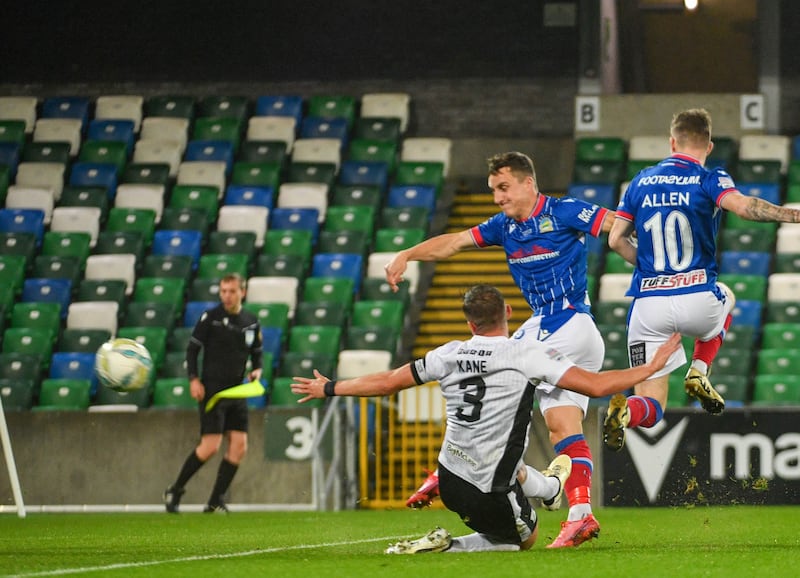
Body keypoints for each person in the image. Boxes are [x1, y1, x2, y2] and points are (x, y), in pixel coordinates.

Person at [291, 285, 681, 553]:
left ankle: (548, 488)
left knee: (509, 463)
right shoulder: (526, 353)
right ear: (508, 313)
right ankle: (451, 544)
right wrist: (652, 366)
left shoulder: (447, 353)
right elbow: (596, 386)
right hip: (489, 487)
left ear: (469, 323)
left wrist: (331, 388)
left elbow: (389, 382)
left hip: (448, 478)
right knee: (522, 541)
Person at [385, 151, 614, 547]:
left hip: (566, 322)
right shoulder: (503, 227)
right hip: (566, 332)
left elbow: (617, 225)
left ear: (529, 183)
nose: (497, 198)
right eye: (493, 190)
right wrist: (407, 254)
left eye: (503, 188)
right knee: (563, 427)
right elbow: (453, 243)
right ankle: (580, 513)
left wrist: (655, 258)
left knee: (489, 372)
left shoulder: (564, 211)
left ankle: (451, 472)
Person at [604, 108, 800, 451]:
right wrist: (790, 214)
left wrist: (650, 267)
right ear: (708, 146)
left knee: (653, 406)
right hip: (697, 296)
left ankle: (625, 414)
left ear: (671, 142)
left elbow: (616, 240)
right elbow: (743, 207)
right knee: (727, 296)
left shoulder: (640, 181)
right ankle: (698, 369)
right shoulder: (709, 178)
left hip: (647, 307)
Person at [163, 273, 263, 513]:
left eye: (231, 291)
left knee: (239, 446)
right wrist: (194, 380)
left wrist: (257, 370)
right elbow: (191, 350)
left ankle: (215, 500)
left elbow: (257, 352)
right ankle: (175, 489)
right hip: (213, 392)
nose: (226, 296)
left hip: (237, 391)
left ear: (243, 292)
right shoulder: (211, 317)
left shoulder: (251, 320)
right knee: (210, 446)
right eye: (223, 291)